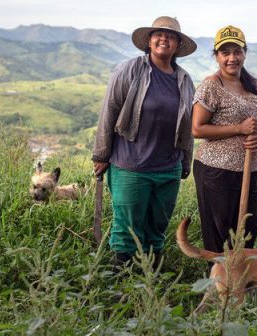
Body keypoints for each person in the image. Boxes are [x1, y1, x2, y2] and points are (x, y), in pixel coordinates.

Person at [92, 16, 197, 268]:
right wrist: (101, 154)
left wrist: (186, 160)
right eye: (158, 34)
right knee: (127, 226)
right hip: (131, 165)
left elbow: (188, 126)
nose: (164, 39)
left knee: (157, 227)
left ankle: (151, 278)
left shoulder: (184, 80)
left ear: (177, 45)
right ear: (149, 41)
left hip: (168, 168)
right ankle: (121, 283)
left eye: (171, 36)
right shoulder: (129, 70)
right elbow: (110, 110)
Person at [192, 25, 257, 253]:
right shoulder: (211, 85)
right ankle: (217, 284)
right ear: (216, 56)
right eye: (225, 52)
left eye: (237, 52)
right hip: (216, 171)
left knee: (247, 230)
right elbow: (197, 129)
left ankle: (239, 283)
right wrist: (239, 128)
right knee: (220, 233)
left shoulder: (252, 83)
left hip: (250, 170)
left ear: (245, 53)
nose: (232, 58)